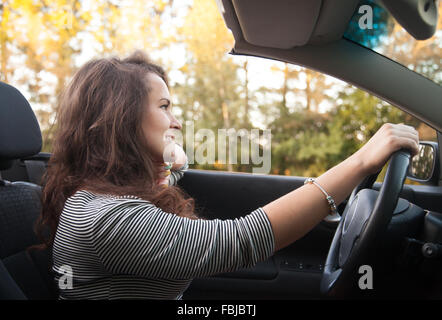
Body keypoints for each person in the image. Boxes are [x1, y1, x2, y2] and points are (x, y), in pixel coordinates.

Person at [35, 50, 419, 300]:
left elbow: (178, 167)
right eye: (165, 107)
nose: (177, 121)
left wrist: (165, 154)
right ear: (122, 120)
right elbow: (237, 241)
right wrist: (359, 163)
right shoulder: (106, 216)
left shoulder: (117, 192)